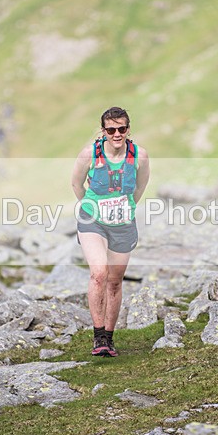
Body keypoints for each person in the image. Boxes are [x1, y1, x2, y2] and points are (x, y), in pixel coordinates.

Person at [71, 107, 150, 357]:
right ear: (103, 131)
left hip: (123, 223)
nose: (117, 134)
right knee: (98, 273)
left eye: (122, 129)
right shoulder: (89, 155)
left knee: (114, 282)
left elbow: (140, 186)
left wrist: (127, 207)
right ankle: (97, 337)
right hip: (92, 221)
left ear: (128, 129)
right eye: (111, 130)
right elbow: (76, 183)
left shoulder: (139, 156)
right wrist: (91, 207)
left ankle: (109, 338)